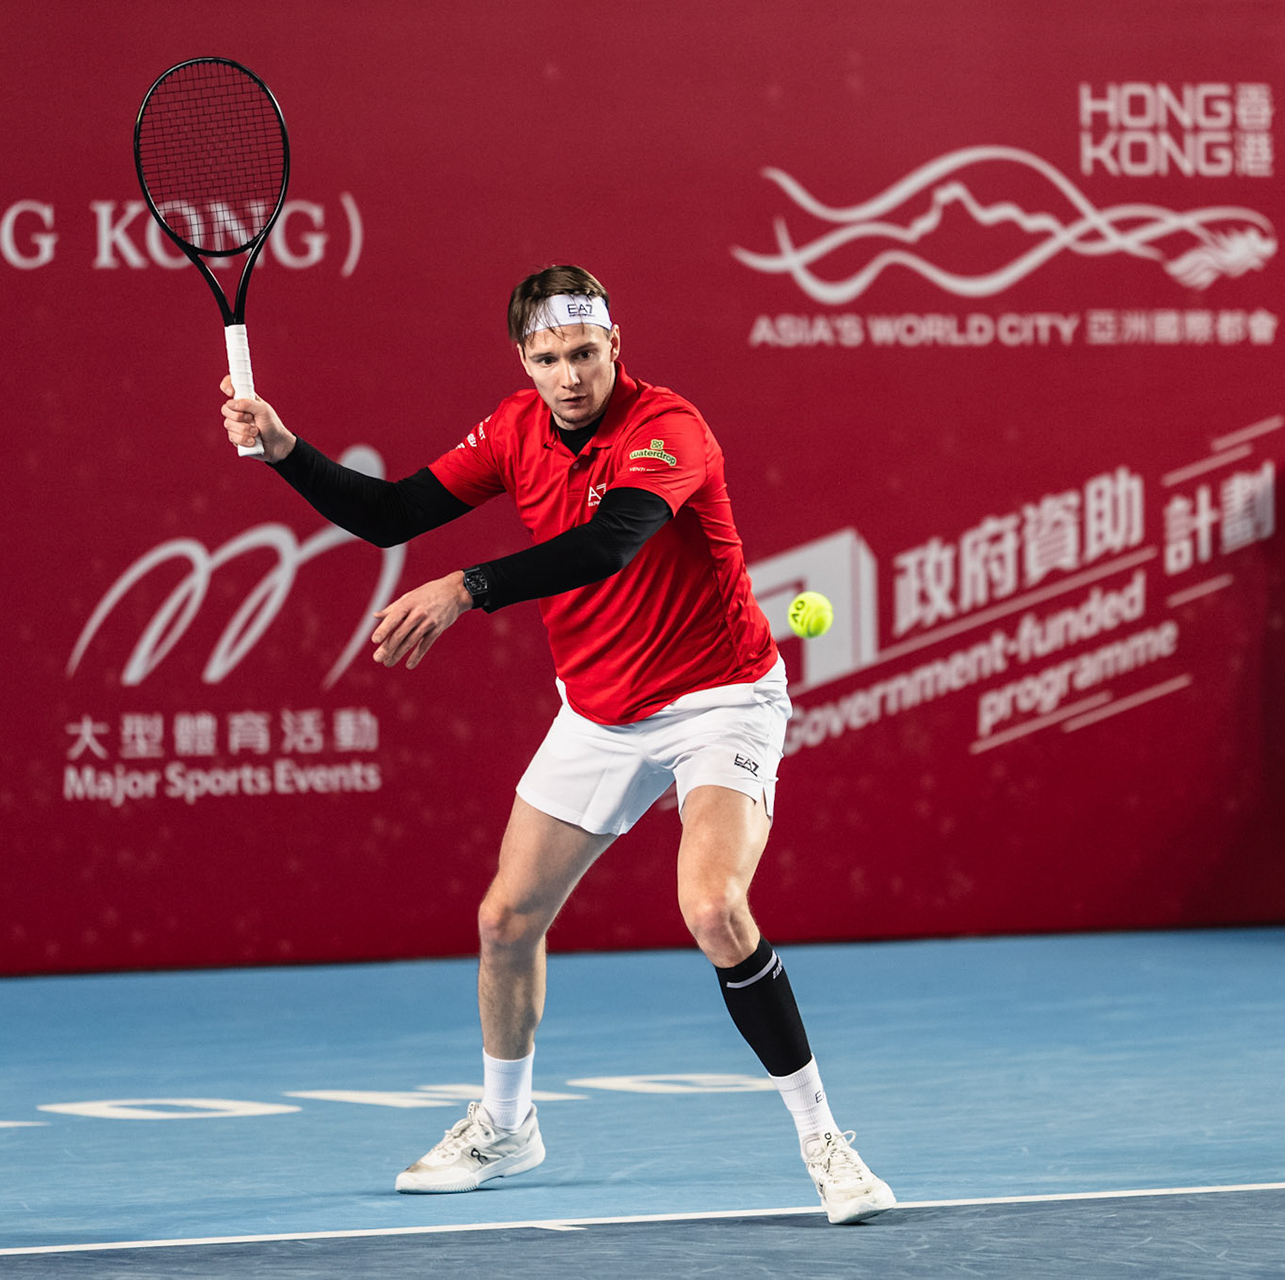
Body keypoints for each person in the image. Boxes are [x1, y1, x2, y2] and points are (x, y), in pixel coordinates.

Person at [218, 265, 896, 1225]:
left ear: (618, 344)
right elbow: (392, 515)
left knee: (711, 905)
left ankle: (825, 1141)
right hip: (600, 710)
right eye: (548, 359)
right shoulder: (511, 429)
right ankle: (507, 1127)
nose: (570, 375)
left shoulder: (670, 428)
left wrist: (468, 586)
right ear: (523, 361)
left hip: (720, 697)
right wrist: (288, 450)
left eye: (585, 353)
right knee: (504, 923)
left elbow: (612, 542)